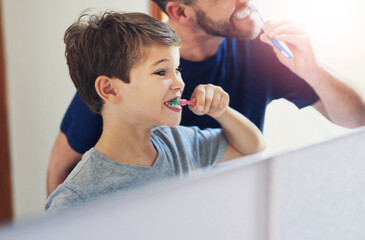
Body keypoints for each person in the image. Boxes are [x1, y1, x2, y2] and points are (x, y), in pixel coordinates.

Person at [47, 0, 365, 195]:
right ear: (180, 11)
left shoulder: (262, 52)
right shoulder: (123, 75)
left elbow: (357, 117)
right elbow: (60, 172)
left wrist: (313, 69)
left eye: (178, 71)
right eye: (162, 72)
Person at [45, 11, 265, 214]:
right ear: (109, 89)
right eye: (161, 72)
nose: (179, 83)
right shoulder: (75, 200)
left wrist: (221, 111)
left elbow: (251, 148)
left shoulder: (178, 143)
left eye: (177, 69)